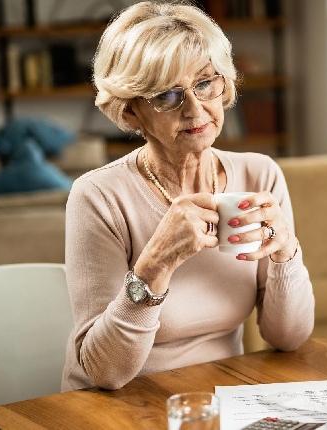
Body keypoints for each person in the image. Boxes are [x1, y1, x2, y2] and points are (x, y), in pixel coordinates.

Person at [61, 1, 313, 391]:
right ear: (131, 112)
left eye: (204, 83)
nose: (195, 109)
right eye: (167, 95)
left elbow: (288, 338)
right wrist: (155, 264)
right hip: (115, 404)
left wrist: (286, 253)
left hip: (218, 398)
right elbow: (105, 372)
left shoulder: (258, 176)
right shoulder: (98, 196)